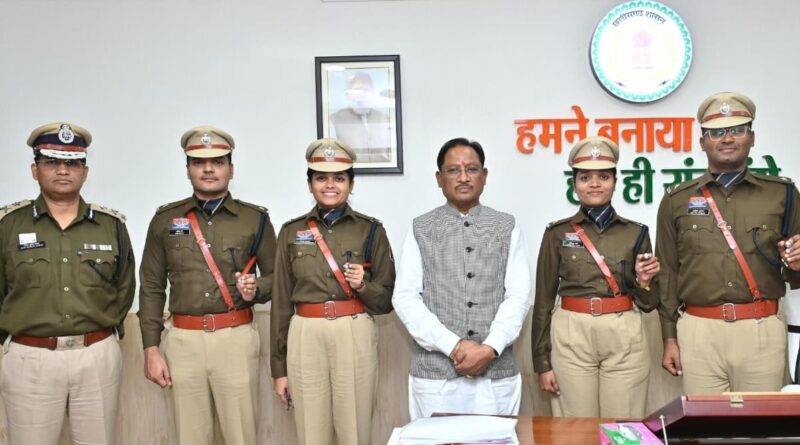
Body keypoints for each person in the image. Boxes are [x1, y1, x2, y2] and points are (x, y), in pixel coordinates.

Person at [138, 125, 276, 445]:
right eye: (199, 162)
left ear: (231, 169)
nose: (209, 169)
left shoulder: (254, 219)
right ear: (188, 169)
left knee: (241, 436)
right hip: (182, 342)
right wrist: (151, 348)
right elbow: (151, 287)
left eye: (217, 162)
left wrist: (256, 288)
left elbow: (277, 277)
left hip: (235, 338)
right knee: (190, 437)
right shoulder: (164, 220)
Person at [0, 122, 135, 444]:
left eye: (72, 163)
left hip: (96, 356)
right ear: (35, 170)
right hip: (30, 358)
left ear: (85, 172)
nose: (63, 170)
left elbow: (124, 287)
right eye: (52, 162)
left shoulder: (111, 225)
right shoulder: (8, 225)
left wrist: (101, 331)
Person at [657, 92, 800, 394]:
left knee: (760, 421)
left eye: (737, 130)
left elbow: (794, 270)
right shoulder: (676, 200)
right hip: (698, 330)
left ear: (752, 138)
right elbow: (667, 273)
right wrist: (669, 336)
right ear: (702, 142)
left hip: (761, 328)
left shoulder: (783, 194)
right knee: (705, 421)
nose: (727, 139)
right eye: (716, 132)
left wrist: (797, 265)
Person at [393, 137, 531, 420]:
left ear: (485, 176)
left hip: (496, 373)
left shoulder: (507, 226)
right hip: (435, 377)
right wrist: (453, 346)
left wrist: (490, 348)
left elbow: (518, 295)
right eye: (454, 170)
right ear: (439, 178)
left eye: (472, 169)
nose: (464, 177)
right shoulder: (421, 227)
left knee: (495, 439)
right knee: (436, 440)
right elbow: (405, 297)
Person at [270, 138, 395, 445]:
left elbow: (386, 301)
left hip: (353, 330)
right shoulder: (291, 231)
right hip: (305, 333)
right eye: (321, 178)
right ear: (310, 184)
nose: (329, 185)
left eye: (339, 178)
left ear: (351, 184)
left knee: (355, 431)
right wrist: (278, 369)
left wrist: (362, 286)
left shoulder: (371, 230)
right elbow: (281, 302)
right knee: (310, 431)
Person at [531, 136, 660, 418]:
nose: (594, 184)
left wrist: (643, 281)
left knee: (623, 425)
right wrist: (542, 362)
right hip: (571, 335)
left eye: (603, 176)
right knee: (575, 428)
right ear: (574, 184)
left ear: (615, 181)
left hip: (623, 332)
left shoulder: (636, 232)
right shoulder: (557, 233)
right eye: (585, 177)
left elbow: (650, 303)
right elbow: (543, 301)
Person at [330, 72, 393, 163]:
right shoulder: (334, 120)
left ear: (373, 93)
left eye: (366, 90)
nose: (362, 95)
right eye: (357, 90)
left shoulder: (385, 119)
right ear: (347, 94)